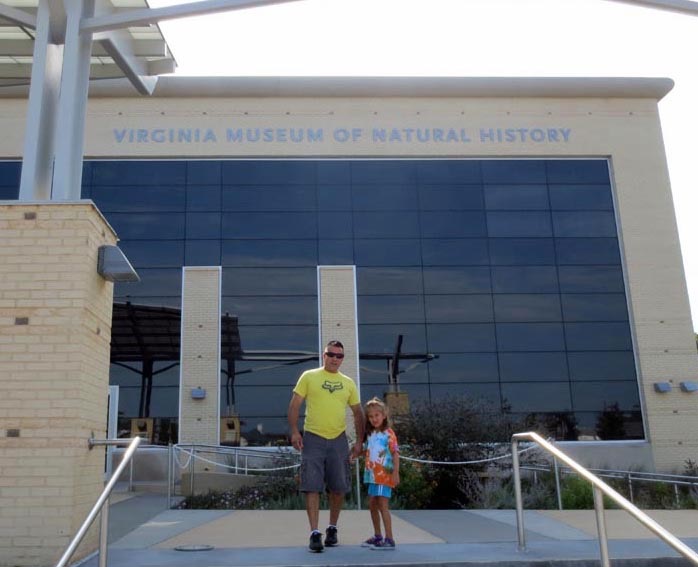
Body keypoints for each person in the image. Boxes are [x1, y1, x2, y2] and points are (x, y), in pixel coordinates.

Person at [287, 340, 364, 553]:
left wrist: (359, 442)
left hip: (338, 439)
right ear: (324, 355)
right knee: (311, 485)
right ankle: (314, 533)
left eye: (339, 356)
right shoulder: (309, 376)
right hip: (313, 438)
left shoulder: (348, 382)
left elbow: (358, 413)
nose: (335, 359)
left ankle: (332, 528)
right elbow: (294, 405)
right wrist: (295, 432)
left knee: (339, 487)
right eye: (331, 354)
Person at [360, 397, 400, 550]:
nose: (374, 419)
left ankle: (389, 539)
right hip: (372, 476)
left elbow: (395, 453)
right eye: (370, 416)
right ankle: (378, 536)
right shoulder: (371, 434)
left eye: (376, 415)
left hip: (384, 476)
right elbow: (369, 451)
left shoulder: (388, 434)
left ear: (383, 415)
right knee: (372, 505)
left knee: (383, 505)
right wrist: (356, 454)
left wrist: (396, 472)